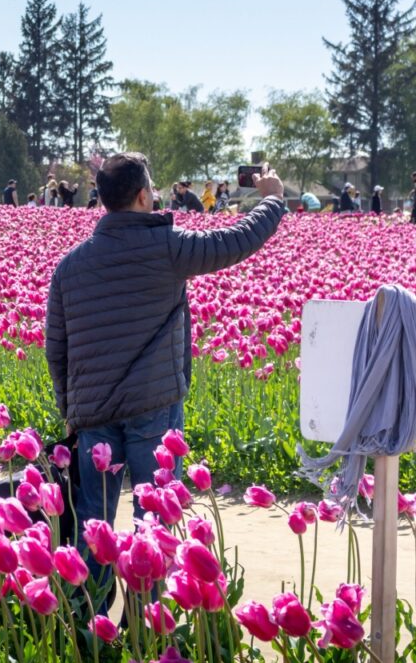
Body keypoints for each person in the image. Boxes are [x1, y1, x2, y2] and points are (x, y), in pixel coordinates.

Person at [45, 152, 285, 545]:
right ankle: (147, 606)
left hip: (91, 415)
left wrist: (68, 408)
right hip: (152, 407)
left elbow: (56, 348)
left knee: (94, 525)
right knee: (153, 523)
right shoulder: (168, 247)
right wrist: (273, 199)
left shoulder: (70, 266)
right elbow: (237, 240)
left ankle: (87, 604)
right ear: (143, 196)